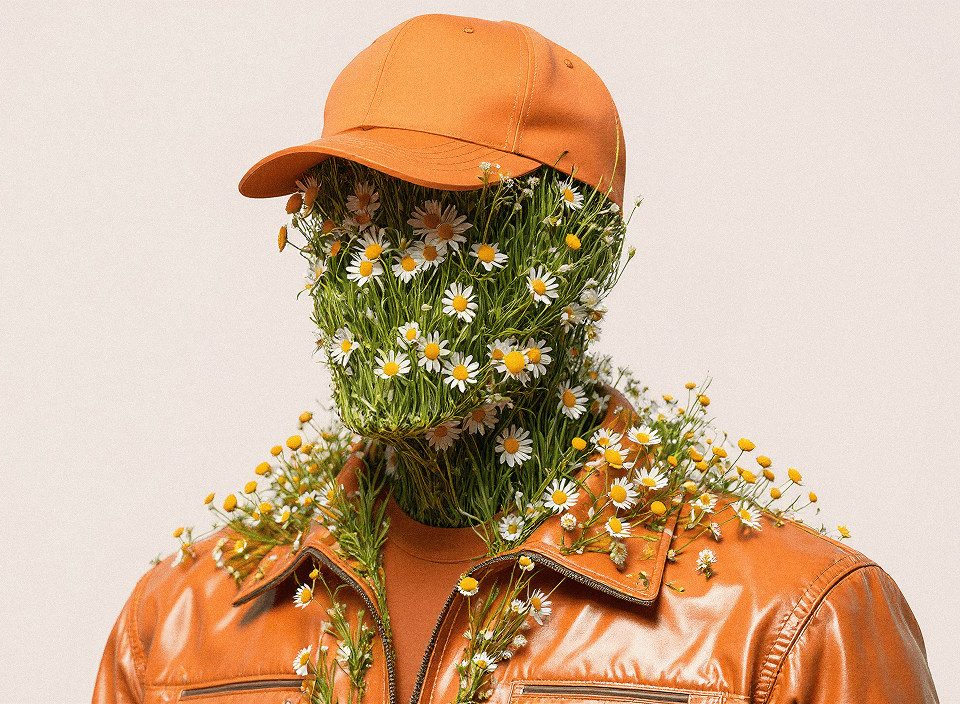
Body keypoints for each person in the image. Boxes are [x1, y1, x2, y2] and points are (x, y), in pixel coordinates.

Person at [94, 14, 937, 704]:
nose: (377, 274)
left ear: (581, 256)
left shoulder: (784, 621)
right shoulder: (176, 627)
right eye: (350, 218)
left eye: (445, 219)